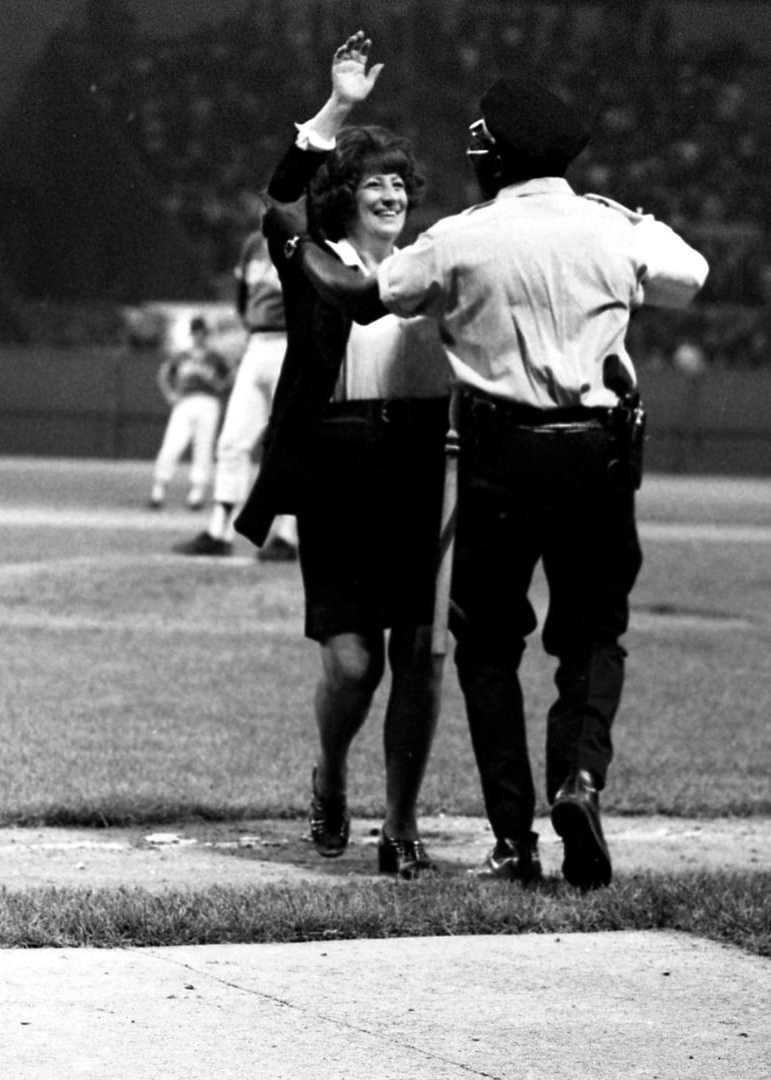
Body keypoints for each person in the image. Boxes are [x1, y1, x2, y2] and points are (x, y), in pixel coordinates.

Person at [292, 76, 708, 887]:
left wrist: (297, 242)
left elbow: (367, 296)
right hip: (598, 453)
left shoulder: (461, 237)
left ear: (490, 156)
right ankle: (579, 781)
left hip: (501, 457)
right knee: (591, 636)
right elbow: (689, 278)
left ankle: (514, 838)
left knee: (487, 648)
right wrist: (633, 229)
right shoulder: (609, 226)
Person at [236, 32, 452, 878]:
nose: (393, 193)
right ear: (346, 196)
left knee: (421, 657)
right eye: (376, 182)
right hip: (337, 462)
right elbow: (277, 195)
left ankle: (400, 826)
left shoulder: (436, 266)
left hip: (421, 464)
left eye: (401, 182)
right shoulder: (311, 256)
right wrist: (339, 108)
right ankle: (331, 776)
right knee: (354, 663)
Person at [173, 232, 300, 559]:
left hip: (294, 346)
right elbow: (243, 298)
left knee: (289, 447)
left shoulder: (315, 239)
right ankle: (219, 532)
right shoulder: (254, 244)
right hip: (256, 345)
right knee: (231, 442)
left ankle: (288, 536)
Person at [148, 317, 234, 511]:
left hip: (208, 402)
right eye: (196, 332)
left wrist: (220, 386)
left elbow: (230, 375)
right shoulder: (182, 356)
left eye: (201, 332)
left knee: (203, 447)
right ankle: (158, 490)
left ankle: (197, 494)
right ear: (192, 334)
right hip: (185, 402)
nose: (199, 336)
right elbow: (163, 374)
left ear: (206, 334)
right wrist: (170, 394)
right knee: (172, 445)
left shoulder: (215, 357)